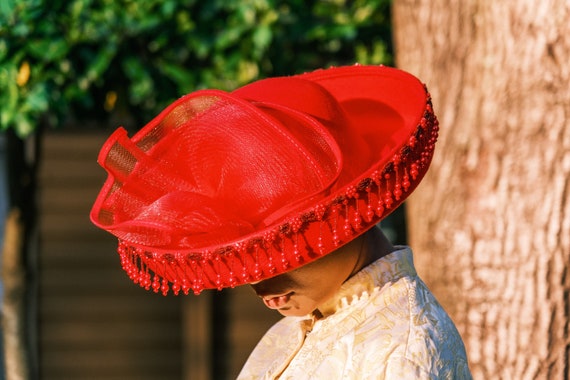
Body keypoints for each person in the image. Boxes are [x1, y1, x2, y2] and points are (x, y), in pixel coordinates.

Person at [90, 64, 472, 379]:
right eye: (248, 257)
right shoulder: (294, 329)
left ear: (348, 218)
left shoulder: (405, 352)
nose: (260, 283)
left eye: (281, 248)